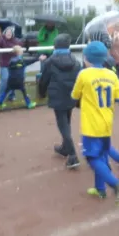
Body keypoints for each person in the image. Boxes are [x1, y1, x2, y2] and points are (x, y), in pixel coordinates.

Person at [71, 41, 119, 205]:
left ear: (86, 58)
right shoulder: (112, 74)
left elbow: (75, 95)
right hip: (107, 122)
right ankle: (100, 189)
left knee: (91, 157)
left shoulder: (84, 74)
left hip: (91, 126)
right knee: (102, 155)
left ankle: (116, 185)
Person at [37, 33, 81, 170]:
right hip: (71, 96)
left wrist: (42, 93)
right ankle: (64, 148)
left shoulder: (49, 62)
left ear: (55, 46)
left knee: (63, 126)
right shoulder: (75, 60)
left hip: (58, 96)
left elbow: (44, 80)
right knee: (66, 122)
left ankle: (72, 155)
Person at [0, 26, 22, 102]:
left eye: (10, 33)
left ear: (12, 34)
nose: (9, 34)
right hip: (4, 63)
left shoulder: (15, 40)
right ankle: (0, 98)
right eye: (7, 32)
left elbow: (21, 44)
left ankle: (11, 96)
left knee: (13, 79)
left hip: (13, 64)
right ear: (5, 33)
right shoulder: (2, 39)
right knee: (5, 79)